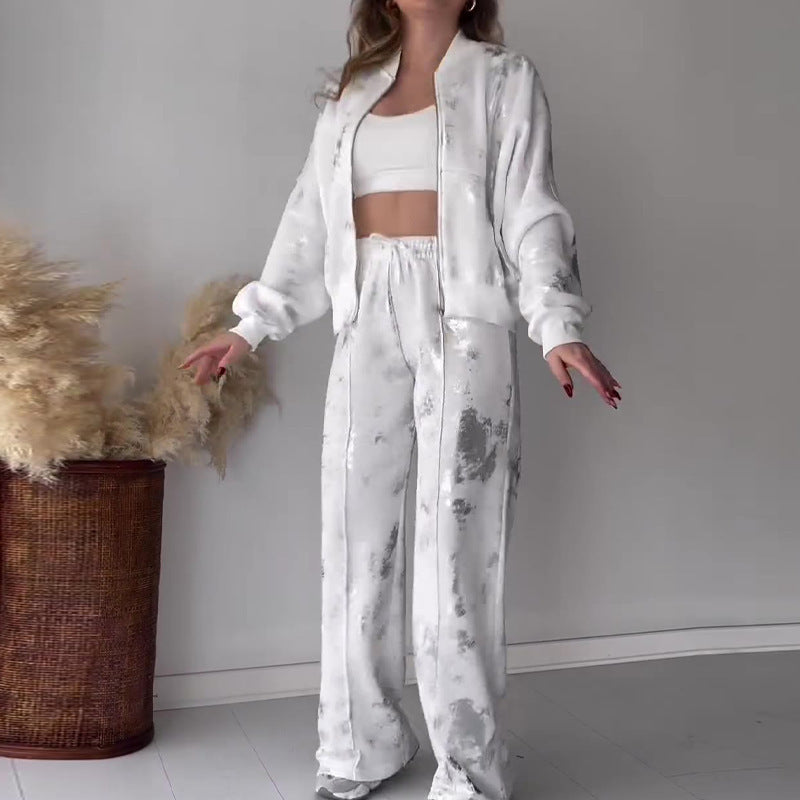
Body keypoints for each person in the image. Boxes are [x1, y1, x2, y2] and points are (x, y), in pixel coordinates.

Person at [179, 1, 621, 798]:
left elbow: (531, 207)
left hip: (465, 317)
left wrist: (556, 324)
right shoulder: (351, 93)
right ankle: (362, 747)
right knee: (353, 538)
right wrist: (249, 327)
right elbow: (309, 219)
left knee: (459, 542)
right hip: (367, 311)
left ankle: (467, 768)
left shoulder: (503, 78)